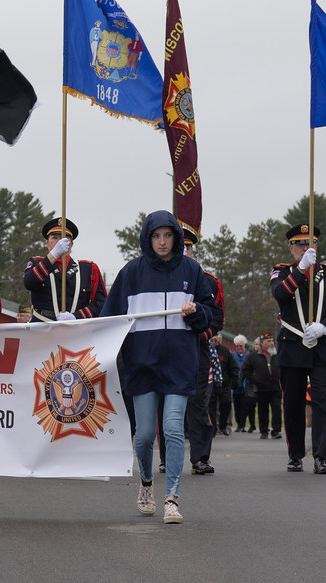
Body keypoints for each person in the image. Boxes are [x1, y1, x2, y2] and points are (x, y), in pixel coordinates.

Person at [100, 210, 215, 524]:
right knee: (145, 434)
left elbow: (211, 316)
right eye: (157, 236)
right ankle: (147, 483)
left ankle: (172, 498)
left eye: (168, 236)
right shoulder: (131, 273)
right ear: (148, 238)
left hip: (180, 363)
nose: (163, 242)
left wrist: (196, 312)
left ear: (176, 238)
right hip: (142, 365)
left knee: (174, 429)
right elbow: (109, 319)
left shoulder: (192, 269)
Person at [271, 223, 326, 474]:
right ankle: (295, 455)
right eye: (301, 244)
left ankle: (320, 457)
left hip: (321, 346)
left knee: (321, 403)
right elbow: (279, 295)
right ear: (291, 247)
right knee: (293, 404)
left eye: (311, 243)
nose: (306, 247)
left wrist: (325, 326)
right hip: (292, 345)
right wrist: (301, 269)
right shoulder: (281, 272)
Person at [180, 228, 224, 476]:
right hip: (169, 349)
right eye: (180, 246)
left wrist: (199, 335)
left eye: (187, 247)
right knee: (168, 403)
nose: (184, 251)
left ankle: (200, 458)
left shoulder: (209, 281)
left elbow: (217, 318)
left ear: (192, 250)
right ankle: (166, 458)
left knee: (198, 404)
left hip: (198, 349)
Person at [23, 218, 106, 322]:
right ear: (47, 244)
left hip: (76, 331)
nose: (59, 242)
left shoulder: (88, 269)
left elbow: (101, 304)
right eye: (54, 238)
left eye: (64, 238)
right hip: (42, 329)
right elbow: (29, 283)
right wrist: (53, 255)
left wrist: (76, 316)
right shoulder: (36, 264)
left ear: (71, 244)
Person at [241, 333, 283, 439]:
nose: (271, 343)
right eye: (269, 341)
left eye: (272, 341)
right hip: (261, 388)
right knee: (263, 410)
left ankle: (276, 430)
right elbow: (246, 370)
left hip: (275, 387)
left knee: (277, 409)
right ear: (262, 344)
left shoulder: (277, 355)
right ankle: (264, 430)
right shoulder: (253, 356)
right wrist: (254, 380)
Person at [213, 335, 240, 435]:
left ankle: (223, 426)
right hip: (211, 383)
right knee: (211, 406)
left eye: (215, 340)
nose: (214, 342)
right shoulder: (206, 350)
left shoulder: (225, 351)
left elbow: (233, 366)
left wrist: (233, 380)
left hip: (224, 383)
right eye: (212, 340)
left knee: (226, 404)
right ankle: (213, 427)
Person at [231, 335, 254, 432]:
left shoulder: (249, 355)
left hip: (247, 385)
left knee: (245, 406)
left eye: (241, 346)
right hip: (236, 385)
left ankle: (242, 425)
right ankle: (238, 423)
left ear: (244, 345)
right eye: (237, 346)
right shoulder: (233, 355)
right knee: (237, 406)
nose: (239, 348)